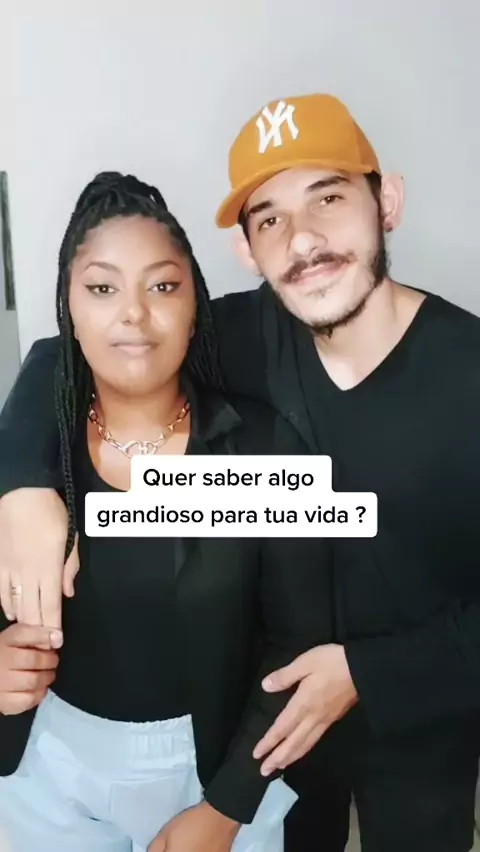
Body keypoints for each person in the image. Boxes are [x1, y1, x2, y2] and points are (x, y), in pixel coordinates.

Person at [1, 93, 480, 852]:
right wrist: (23, 487)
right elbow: (75, 347)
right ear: (248, 250)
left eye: (328, 197)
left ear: (386, 201)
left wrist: (368, 672)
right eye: (270, 218)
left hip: (420, 729)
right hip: (276, 734)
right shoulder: (244, 334)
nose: (304, 239)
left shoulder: (468, 374)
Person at [0, 170, 341, 852]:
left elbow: (296, 646)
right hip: (51, 766)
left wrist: (226, 809)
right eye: (102, 288)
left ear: (194, 308)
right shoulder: (31, 457)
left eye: (162, 286)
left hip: (217, 766)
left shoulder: (259, 447)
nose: (133, 314)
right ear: (69, 309)